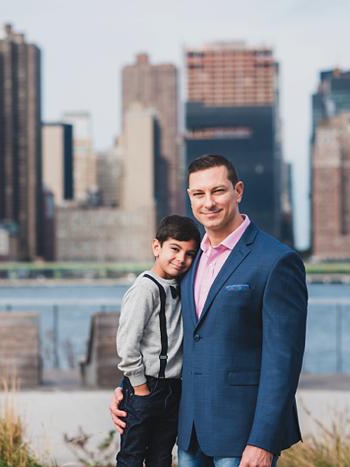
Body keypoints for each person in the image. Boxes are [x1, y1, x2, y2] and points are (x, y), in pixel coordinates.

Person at [110, 154, 308, 467]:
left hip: (242, 436)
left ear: (238, 191)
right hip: (189, 430)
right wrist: (131, 391)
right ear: (189, 197)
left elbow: (283, 361)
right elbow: (168, 337)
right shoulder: (189, 262)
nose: (209, 203)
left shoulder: (277, 261)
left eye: (218, 191)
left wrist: (263, 440)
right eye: (199, 194)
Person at [115, 215, 201, 467]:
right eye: (174, 249)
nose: (181, 259)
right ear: (157, 247)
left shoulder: (180, 285)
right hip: (147, 386)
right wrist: (140, 387)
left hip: (173, 389)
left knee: (161, 458)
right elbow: (127, 343)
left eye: (189, 254)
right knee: (132, 457)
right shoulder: (145, 289)